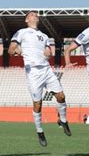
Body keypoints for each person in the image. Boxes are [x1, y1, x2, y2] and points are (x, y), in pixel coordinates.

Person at [8, 11, 72, 147]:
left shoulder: (44, 36)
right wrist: (17, 50)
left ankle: (63, 120)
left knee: (61, 96)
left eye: (36, 14)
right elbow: (11, 49)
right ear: (26, 19)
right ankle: (40, 131)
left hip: (46, 69)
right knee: (38, 104)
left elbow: (49, 52)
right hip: (33, 72)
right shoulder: (22, 32)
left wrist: (48, 53)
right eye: (32, 14)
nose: (35, 15)